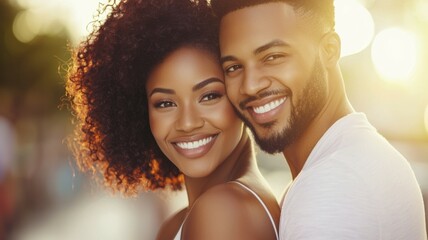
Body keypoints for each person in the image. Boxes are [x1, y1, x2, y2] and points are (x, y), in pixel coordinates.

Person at [210, 0, 427, 239]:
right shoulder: (353, 160)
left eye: (272, 57)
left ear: (329, 50)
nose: (250, 86)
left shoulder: (334, 187)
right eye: (233, 67)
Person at [65, 0, 280, 239]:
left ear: (238, 92)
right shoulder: (181, 221)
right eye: (165, 103)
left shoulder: (224, 210)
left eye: (209, 96)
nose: (187, 123)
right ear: (140, 111)